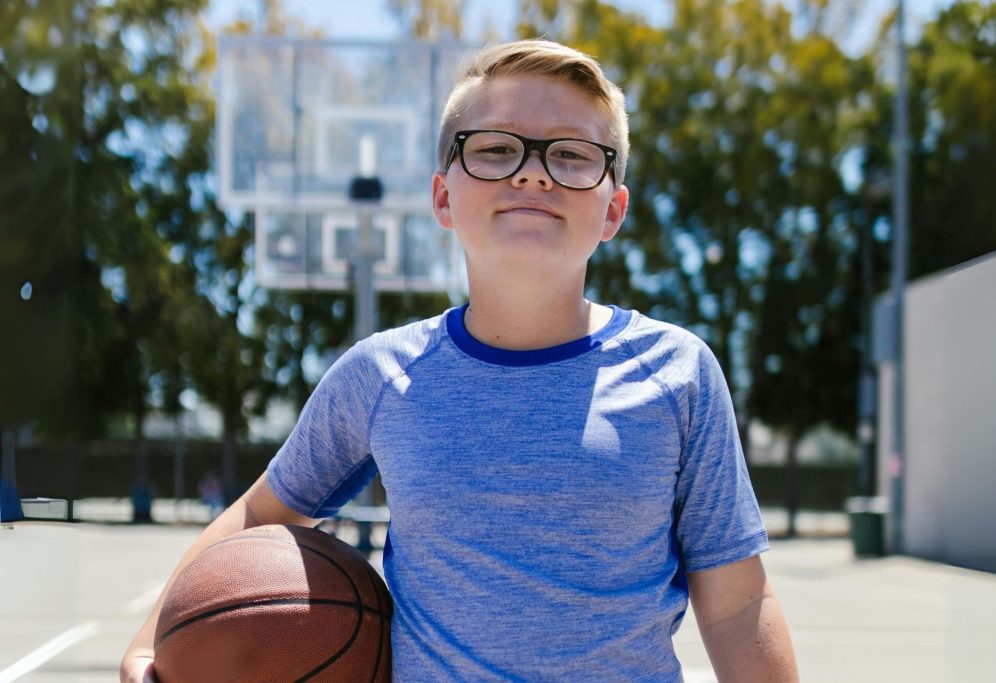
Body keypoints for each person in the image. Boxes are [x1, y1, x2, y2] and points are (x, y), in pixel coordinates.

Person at [121, 39, 798, 682]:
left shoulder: (677, 372)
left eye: (571, 155)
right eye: (497, 148)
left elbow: (738, 600)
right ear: (444, 196)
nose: (533, 170)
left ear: (612, 209)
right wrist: (153, 637)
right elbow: (257, 516)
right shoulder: (380, 375)